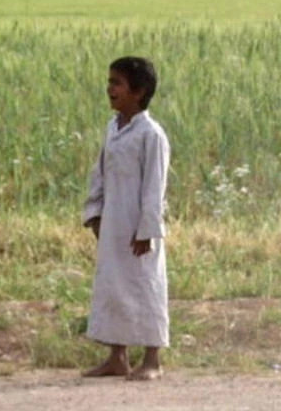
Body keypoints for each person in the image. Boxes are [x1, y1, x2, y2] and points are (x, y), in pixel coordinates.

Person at [81, 56, 170, 381]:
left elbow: (154, 187)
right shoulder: (113, 128)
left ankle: (152, 359)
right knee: (113, 285)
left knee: (145, 284)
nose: (109, 89)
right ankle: (117, 356)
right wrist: (95, 212)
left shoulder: (151, 134)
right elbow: (100, 171)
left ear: (139, 91)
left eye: (116, 83)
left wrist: (147, 229)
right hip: (113, 222)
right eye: (109, 82)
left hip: (139, 227)